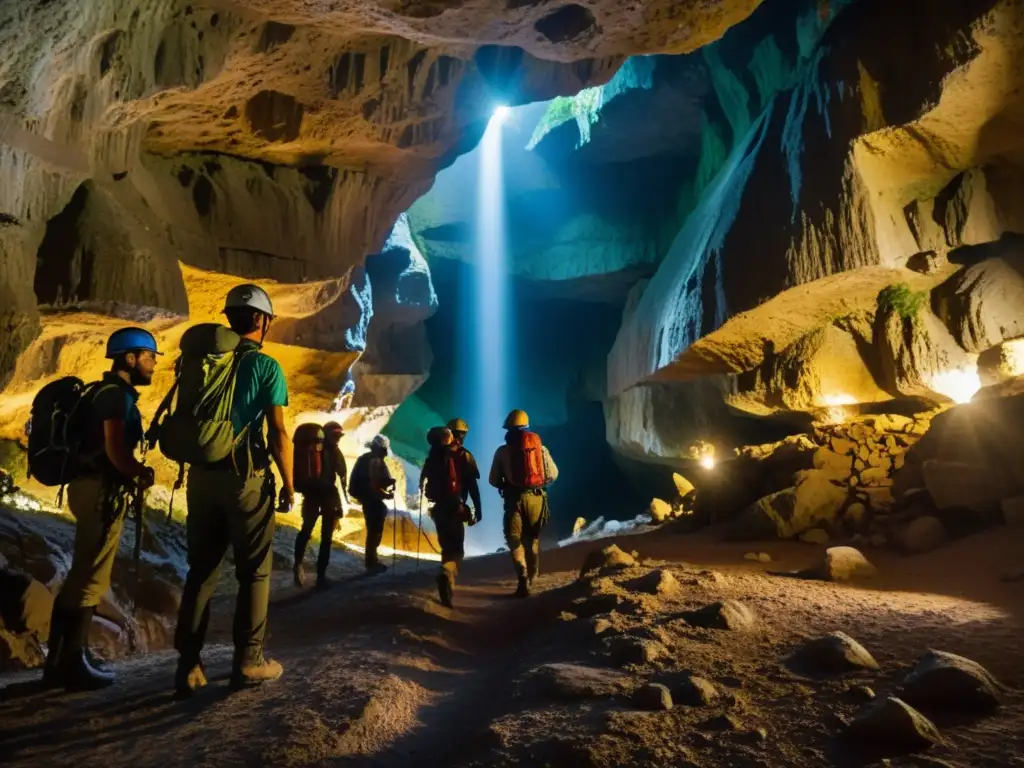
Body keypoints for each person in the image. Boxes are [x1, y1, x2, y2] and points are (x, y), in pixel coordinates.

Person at [172, 284, 293, 697]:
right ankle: (250, 660)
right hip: (245, 477)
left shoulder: (202, 361)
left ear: (229, 319)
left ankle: (188, 665)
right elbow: (278, 432)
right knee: (254, 571)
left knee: (201, 572)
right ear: (261, 321)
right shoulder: (265, 367)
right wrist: (290, 484)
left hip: (202, 476)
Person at [43, 328, 158, 691]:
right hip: (99, 491)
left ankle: (60, 661)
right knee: (90, 577)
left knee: (82, 574)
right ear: (130, 358)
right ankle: (71, 664)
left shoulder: (104, 393)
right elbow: (114, 449)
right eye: (149, 356)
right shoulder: (114, 398)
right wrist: (140, 472)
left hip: (88, 488)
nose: (154, 364)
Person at [488, 409, 558, 598]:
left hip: (515, 500)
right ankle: (533, 577)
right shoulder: (540, 449)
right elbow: (553, 473)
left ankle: (522, 578)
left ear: (508, 429)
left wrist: (507, 482)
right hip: (537, 498)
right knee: (532, 539)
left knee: (514, 539)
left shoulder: (503, 451)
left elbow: (493, 480)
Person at [420, 425, 480, 608]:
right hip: (454, 507)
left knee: (446, 547)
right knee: (457, 551)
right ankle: (446, 574)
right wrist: (477, 508)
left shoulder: (432, 457)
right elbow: (471, 485)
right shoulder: (458, 455)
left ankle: (448, 589)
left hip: (438, 510)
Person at [293, 421, 349, 589]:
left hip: (311, 495)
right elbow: (341, 476)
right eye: (336, 436)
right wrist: (339, 507)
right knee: (326, 538)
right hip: (327, 497)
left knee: (306, 530)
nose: (338, 439)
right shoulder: (335, 452)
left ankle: (298, 564)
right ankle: (321, 577)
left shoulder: (314, 448)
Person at [349, 434, 396, 575]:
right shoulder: (374, 462)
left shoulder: (365, 460)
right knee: (374, 530)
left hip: (368, 499)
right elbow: (374, 483)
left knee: (373, 530)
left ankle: (371, 560)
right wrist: (386, 493)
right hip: (371, 500)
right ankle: (371, 562)